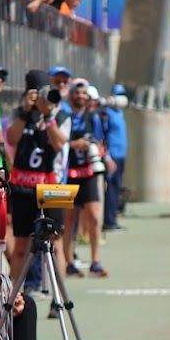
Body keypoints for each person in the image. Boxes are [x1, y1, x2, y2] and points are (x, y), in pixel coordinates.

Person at [7, 69, 70, 316]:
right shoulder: (20, 113)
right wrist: (26, 112)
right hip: (23, 186)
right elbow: (12, 138)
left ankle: (58, 300)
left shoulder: (60, 114)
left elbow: (60, 143)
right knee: (21, 246)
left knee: (56, 245)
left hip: (53, 186)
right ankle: (15, 298)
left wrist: (48, 115)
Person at [61, 80, 111, 278]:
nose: (80, 96)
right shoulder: (64, 116)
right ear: (71, 96)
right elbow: (59, 142)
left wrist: (96, 148)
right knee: (69, 219)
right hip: (69, 173)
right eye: (77, 92)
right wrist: (75, 144)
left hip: (89, 173)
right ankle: (69, 262)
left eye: (83, 93)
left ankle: (95, 262)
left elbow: (100, 141)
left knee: (94, 216)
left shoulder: (94, 117)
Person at [102, 83, 128, 230]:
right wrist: (107, 157)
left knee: (117, 188)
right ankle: (109, 221)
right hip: (113, 156)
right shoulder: (107, 113)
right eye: (118, 95)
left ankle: (113, 218)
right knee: (111, 188)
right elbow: (103, 136)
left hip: (121, 155)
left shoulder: (120, 112)